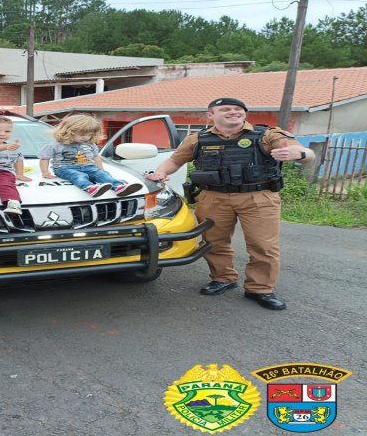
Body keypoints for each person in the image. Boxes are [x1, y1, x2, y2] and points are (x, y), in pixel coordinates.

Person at [145, 97, 314, 310]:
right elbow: (174, 161)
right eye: (226, 109)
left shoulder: (267, 134)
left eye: (238, 109)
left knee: (263, 245)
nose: (233, 112)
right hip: (213, 197)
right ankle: (223, 278)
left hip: (258, 196)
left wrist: (298, 153)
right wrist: (161, 172)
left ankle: (260, 288)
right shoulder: (197, 139)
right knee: (213, 241)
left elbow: (307, 154)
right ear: (210, 115)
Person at [38, 113, 143, 197]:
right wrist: (45, 172)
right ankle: (90, 188)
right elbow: (44, 158)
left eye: (89, 135)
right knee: (79, 176)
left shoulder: (90, 144)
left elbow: (95, 157)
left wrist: (101, 169)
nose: (86, 137)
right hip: (64, 168)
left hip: (88, 166)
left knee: (102, 175)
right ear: (68, 131)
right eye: (82, 134)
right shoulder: (56, 145)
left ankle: (119, 187)